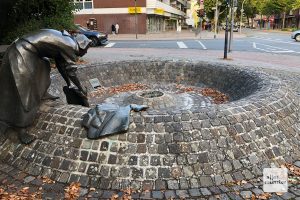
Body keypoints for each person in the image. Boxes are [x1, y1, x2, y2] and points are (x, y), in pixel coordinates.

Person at [0, 29, 91, 144]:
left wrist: (69, 84)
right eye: (86, 50)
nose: (85, 53)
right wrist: (81, 88)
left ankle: (43, 94)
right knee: (25, 90)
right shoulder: (71, 45)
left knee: (45, 64)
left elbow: (62, 66)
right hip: (22, 52)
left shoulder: (66, 41)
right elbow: (71, 71)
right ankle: (21, 129)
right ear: (82, 45)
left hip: (31, 52)